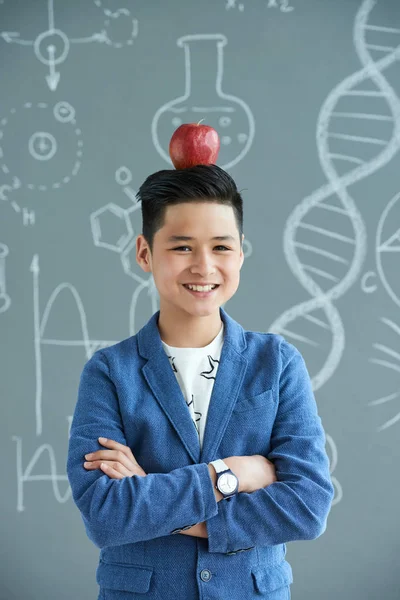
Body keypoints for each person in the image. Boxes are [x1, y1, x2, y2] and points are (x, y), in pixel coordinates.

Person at [66, 164, 334, 600]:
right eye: (183, 247)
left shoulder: (278, 362)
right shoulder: (109, 372)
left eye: (221, 246)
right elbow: (106, 515)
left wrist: (149, 496)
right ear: (144, 252)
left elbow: (307, 507)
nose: (204, 266)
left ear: (241, 252)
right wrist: (232, 474)